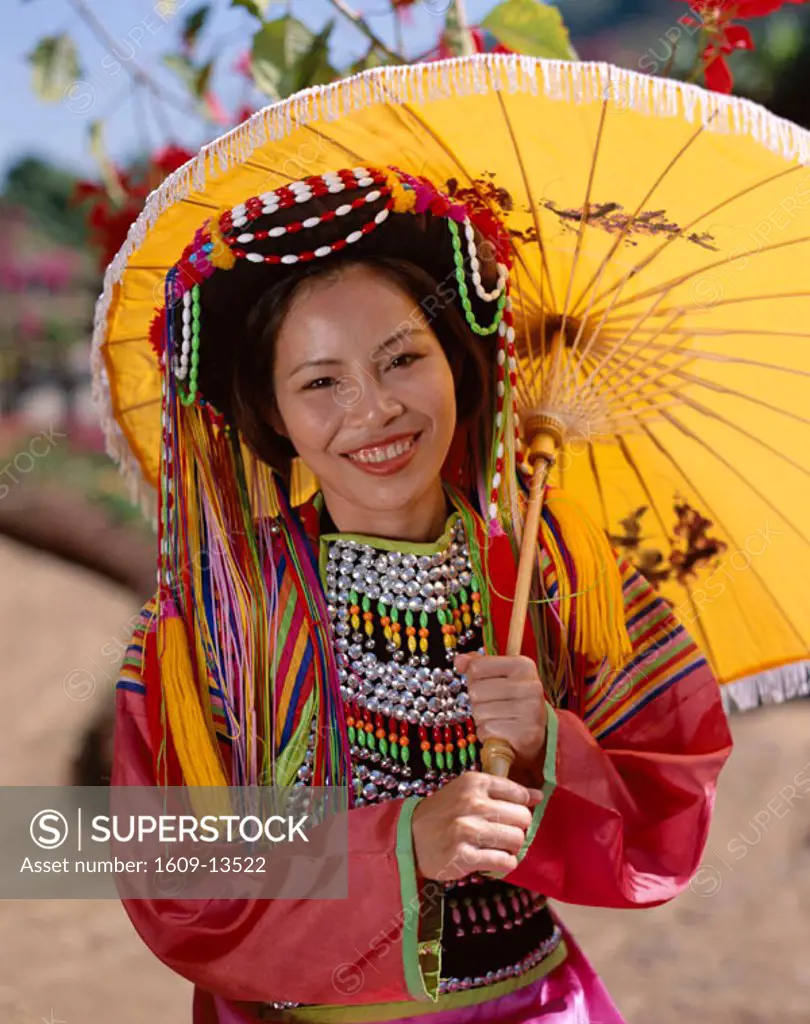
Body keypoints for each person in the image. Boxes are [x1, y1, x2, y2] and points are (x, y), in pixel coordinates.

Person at [110, 165, 733, 1023]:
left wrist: (552, 742)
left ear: (459, 364)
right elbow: (159, 870)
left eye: (403, 358)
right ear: (272, 413)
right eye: (321, 383)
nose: (374, 411)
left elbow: (671, 803)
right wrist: (402, 844)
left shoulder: (556, 570)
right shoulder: (214, 615)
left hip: (535, 1003)